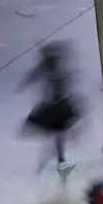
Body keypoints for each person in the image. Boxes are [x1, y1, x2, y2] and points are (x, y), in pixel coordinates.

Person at [21, 42, 79, 175]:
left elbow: (35, 74)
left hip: (55, 108)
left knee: (57, 140)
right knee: (58, 139)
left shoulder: (52, 72)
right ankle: (57, 163)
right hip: (58, 108)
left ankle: (55, 164)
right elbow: (38, 74)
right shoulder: (56, 73)